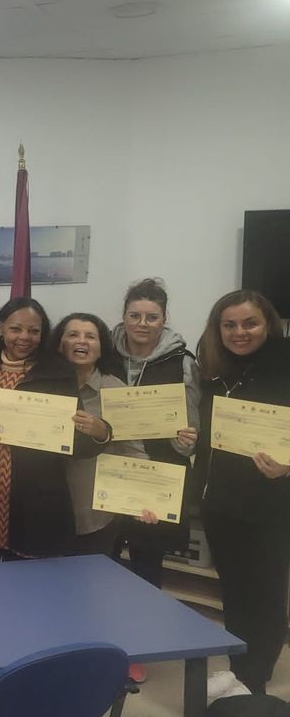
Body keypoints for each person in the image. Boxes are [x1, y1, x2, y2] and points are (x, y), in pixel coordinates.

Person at [195, 290, 290, 696]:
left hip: (272, 501)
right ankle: (239, 669)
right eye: (229, 325)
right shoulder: (215, 369)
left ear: (268, 324)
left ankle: (255, 678)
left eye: (250, 323)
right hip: (222, 501)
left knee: (265, 591)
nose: (239, 332)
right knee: (233, 589)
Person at [0, 298, 97, 562]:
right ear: (1, 328)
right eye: (16, 329)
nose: (24, 337)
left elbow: (76, 442)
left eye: (34, 331)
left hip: (36, 494)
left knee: (27, 587)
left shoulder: (58, 372)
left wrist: (99, 431)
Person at [110, 279, 200, 589]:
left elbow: (191, 430)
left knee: (146, 566)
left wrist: (186, 440)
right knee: (98, 561)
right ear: (123, 316)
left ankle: (143, 634)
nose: (142, 324)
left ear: (164, 319)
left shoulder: (183, 363)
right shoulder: (102, 354)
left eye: (152, 317)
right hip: (107, 473)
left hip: (156, 474)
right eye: (134, 315)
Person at [51, 313, 148, 557]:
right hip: (45, 511)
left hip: (95, 514)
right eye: (72, 335)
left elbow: (133, 450)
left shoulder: (115, 389)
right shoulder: (41, 386)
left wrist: (142, 499)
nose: (81, 341)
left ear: (101, 347)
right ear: (59, 345)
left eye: (90, 336)